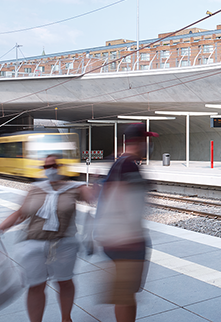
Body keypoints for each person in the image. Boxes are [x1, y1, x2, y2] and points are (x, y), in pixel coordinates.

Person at [0, 155, 94, 322]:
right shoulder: (35, 189)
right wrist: (0, 228)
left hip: (64, 245)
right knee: (36, 286)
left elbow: (92, 197)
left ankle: (66, 319)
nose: (50, 169)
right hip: (33, 245)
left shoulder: (74, 187)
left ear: (60, 167)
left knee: (65, 282)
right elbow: (21, 213)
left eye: (53, 165)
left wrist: (95, 188)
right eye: (46, 167)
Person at [95, 123, 154, 322]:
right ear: (138, 142)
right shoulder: (127, 166)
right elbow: (125, 203)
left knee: (126, 295)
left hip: (122, 239)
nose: (148, 145)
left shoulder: (122, 164)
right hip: (125, 241)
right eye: (146, 141)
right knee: (124, 296)